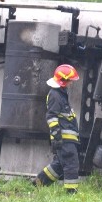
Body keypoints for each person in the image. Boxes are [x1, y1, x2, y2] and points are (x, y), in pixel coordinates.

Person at [34, 64, 81, 193]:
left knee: (60, 165)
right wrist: (56, 137)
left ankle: (39, 181)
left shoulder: (60, 94)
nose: (72, 83)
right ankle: (71, 192)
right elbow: (51, 117)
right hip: (64, 139)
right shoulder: (55, 95)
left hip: (67, 138)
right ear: (64, 80)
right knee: (71, 163)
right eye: (70, 80)